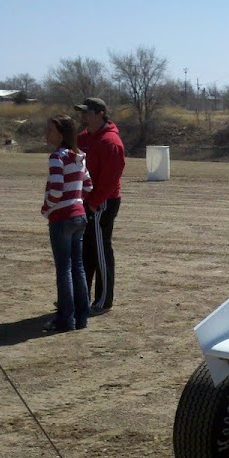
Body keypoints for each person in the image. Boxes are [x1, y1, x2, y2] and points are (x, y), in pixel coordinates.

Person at [41, 115, 93, 331]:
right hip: (79, 215)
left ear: (61, 133)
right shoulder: (80, 156)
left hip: (62, 218)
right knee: (77, 267)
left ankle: (66, 319)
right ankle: (82, 317)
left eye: (51, 130)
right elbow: (88, 185)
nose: (47, 133)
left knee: (64, 269)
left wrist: (46, 208)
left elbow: (55, 190)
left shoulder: (57, 157)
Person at [75, 97, 125, 314]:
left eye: (87, 112)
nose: (83, 116)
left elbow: (111, 178)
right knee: (85, 250)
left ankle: (104, 301)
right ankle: (80, 297)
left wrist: (95, 202)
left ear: (100, 114)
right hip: (87, 200)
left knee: (100, 250)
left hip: (103, 202)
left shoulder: (110, 141)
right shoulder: (84, 138)